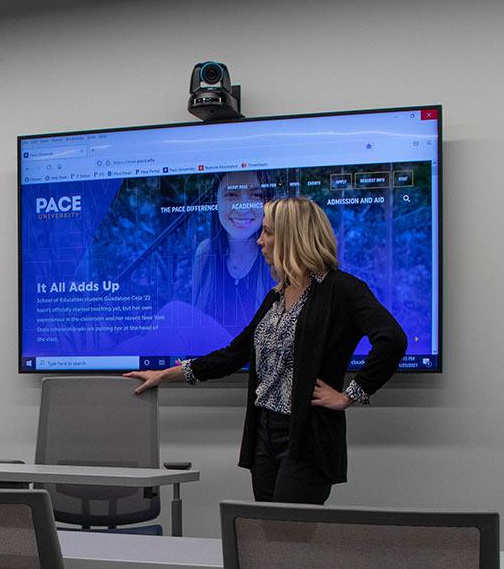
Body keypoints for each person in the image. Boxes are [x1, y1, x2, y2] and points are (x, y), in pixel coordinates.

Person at [125, 196, 406, 504]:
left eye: (268, 232)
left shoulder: (342, 289)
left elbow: (392, 339)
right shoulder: (277, 295)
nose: (260, 241)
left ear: (292, 236)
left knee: (290, 537)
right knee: (264, 535)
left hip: (306, 438)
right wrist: (166, 375)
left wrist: (350, 395)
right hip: (264, 433)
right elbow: (235, 353)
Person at [189, 170, 273, 335]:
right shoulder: (204, 253)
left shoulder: (278, 257)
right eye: (232, 195)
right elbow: (195, 328)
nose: (242, 209)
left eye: (255, 195)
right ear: (217, 201)